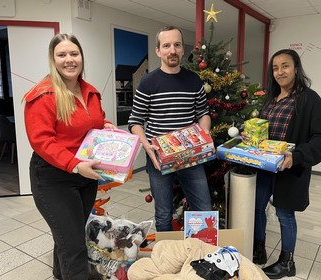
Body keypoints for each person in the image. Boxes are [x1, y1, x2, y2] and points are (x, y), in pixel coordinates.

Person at [23, 33, 115, 280]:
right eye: (61, 55)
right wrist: (75, 165)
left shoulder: (90, 92)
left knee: (66, 235)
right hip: (53, 177)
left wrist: (104, 125)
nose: (69, 60)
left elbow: (92, 120)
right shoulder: (42, 95)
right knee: (74, 245)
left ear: (81, 57)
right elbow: (42, 141)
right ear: (53, 60)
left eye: (74, 53)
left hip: (86, 176)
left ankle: (59, 275)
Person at [248, 49, 321, 279]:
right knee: (256, 208)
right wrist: (251, 138)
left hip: (289, 169)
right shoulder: (271, 98)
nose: (280, 72)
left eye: (285, 66)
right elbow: (263, 131)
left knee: (285, 214)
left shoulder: (308, 99)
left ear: (296, 68)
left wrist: (297, 156)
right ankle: (259, 248)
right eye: (275, 68)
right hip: (265, 167)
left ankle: (287, 262)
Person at [128, 26, 212, 232]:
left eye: (177, 45)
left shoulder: (193, 80)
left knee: (203, 209)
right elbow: (135, 121)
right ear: (158, 51)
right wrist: (147, 146)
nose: (172, 50)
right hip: (159, 157)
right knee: (163, 213)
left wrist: (205, 133)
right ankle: (166, 259)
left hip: (191, 155)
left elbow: (203, 113)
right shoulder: (148, 82)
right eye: (166, 46)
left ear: (183, 50)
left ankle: (200, 256)